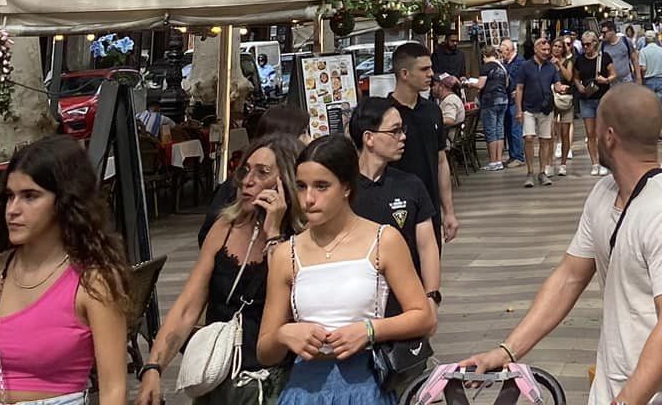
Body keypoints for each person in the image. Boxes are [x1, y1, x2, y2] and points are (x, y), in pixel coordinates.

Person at [455, 85, 662, 405]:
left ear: (609, 136)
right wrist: (507, 351)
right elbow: (569, 277)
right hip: (614, 387)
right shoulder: (604, 193)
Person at [0, 135, 132, 405]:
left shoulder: (93, 281)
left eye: (30, 196)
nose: (12, 210)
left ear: (64, 202)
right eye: (9, 196)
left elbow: (113, 390)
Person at [256, 134, 435, 405]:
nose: (308, 198)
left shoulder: (383, 240)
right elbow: (265, 350)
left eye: (322, 186)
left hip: (366, 384)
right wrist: (284, 334)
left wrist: (370, 330)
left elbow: (423, 317)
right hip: (305, 388)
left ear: (346, 188)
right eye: (301, 186)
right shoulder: (286, 253)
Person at [141, 135, 301, 405]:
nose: (248, 181)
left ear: (285, 181)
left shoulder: (300, 239)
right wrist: (154, 367)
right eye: (245, 170)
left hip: (270, 382)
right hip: (216, 374)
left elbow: (286, 301)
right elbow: (187, 306)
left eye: (262, 172)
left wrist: (273, 232)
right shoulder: (226, 227)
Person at [351, 98, 443, 315]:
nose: (403, 137)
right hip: (356, 310)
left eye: (403, 129)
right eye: (394, 131)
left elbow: (427, 246)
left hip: (407, 307)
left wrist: (431, 297)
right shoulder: (342, 189)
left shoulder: (411, 185)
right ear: (369, 138)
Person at [203, 105, 312, 241]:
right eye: (304, 133)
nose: (246, 181)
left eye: (262, 172)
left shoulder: (309, 215)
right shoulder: (230, 210)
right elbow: (206, 237)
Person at [383, 43, 457, 243]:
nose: (431, 74)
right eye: (424, 69)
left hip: (429, 207)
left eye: (431, 68)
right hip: (393, 207)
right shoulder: (384, 114)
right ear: (404, 74)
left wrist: (449, 211)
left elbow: (441, 161)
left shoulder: (433, 111)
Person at [519, 37, 563, 188]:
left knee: (545, 140)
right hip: (528, 108)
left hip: (546, 108)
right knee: (528, 138)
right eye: (543, 49)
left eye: (548, 50)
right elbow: (519, 88)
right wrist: (518, 110)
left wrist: (560, 88)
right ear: (535, 49)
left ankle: (542, 171)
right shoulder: (525, 66)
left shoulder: (551, 67)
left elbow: (557, 83)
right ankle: (530, 172)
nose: (546, 52)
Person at [571, 32, 618, 175]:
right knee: (590, 133)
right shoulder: (580, 60)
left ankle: (603, 161)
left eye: (588, 44)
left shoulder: (604, 57)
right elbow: (576, 77)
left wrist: (606, 80)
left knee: (602, 133)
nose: (585, 47)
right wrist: (579, 86)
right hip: (586, 99)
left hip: (602, 98)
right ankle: (594, 163)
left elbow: (614, 74)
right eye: (583, 44)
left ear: (595, 43)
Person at [477, 43, 512, 172]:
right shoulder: (502, 67)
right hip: (503, 100)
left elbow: (480, 85)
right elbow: (507, 84)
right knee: (499, 130)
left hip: (490, 101)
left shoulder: (486, 67)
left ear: (484, 56)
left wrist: (468, 83)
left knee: (491, 131)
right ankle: (499, 160)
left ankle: (492, 161)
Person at [639, 29, 662, 125]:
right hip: (660, 78)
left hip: (648, 79)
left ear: (646, 39)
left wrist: (642, 77)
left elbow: (643, 68)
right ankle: (658, 123)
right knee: (658, 104)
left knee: (648, 104)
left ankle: (649, 123)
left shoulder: (643, 51)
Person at [601, 22, 636, 94]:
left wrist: (638, 78)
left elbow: (634, 59)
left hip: (627, 81)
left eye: (604, 32)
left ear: (612, 31)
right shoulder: (603, 45)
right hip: (611, 84)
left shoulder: (625, 41)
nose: (603, 35)